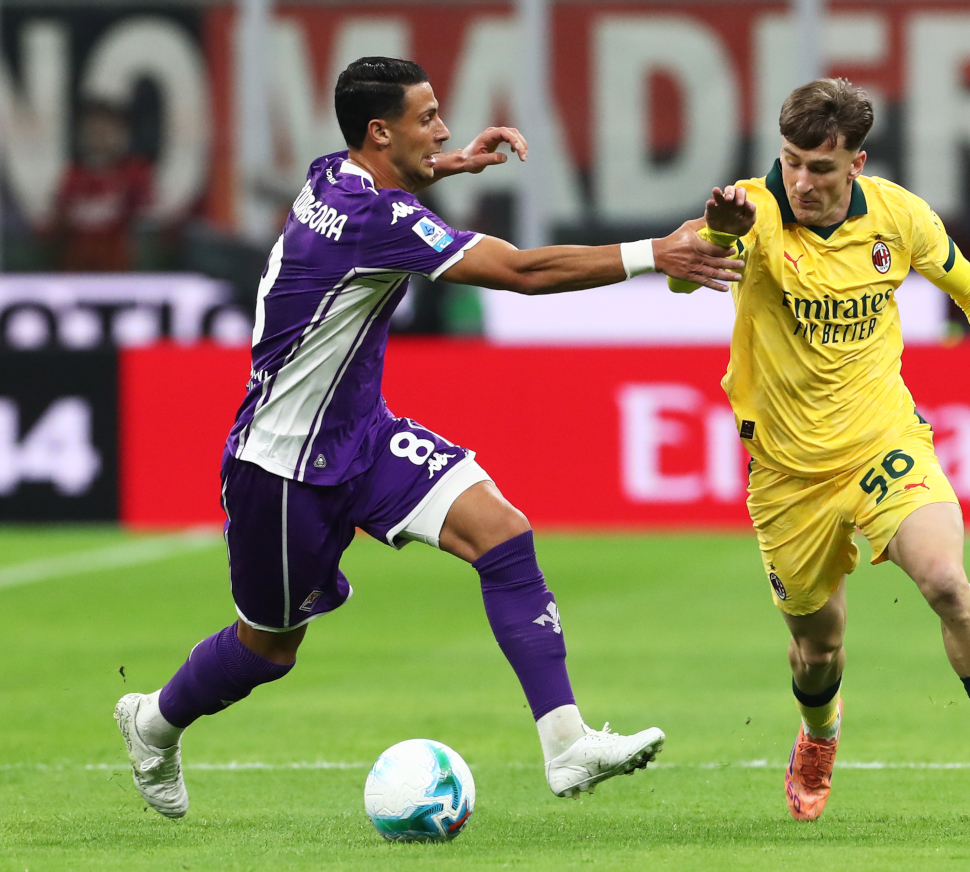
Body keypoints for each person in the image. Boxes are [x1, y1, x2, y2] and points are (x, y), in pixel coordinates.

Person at [114, 56, 744, 819]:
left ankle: (568, 744)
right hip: (281, 469)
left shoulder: (332, 175)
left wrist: (448, 164)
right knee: (266, 650)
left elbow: (396, 186)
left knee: (503, 536)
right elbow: (520, 271)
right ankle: (152, 723)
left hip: (363, 436)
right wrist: (655, 254)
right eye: (427, 118)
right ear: (380, 131)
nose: (442, 128)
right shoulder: (372, 222)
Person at [668, 78, 970, 827]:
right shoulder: (752, 212)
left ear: (855, 164)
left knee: (947, 582)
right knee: (817, 650)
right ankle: (819, 734)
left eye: (820, 168)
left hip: (881, 441)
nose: (801, 181)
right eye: (791, 161)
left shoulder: (899, 215)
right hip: (789, 474)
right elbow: (678, 283)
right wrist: (722, 236)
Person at [48, 100, 154, 272]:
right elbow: (54, 225)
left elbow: (148, 224)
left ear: (123, 134)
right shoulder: (73, 176)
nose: (100, 137)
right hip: (76, 273)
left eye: (107, 131)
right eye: (94, 131)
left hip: (123, 272)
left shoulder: (135, 174)